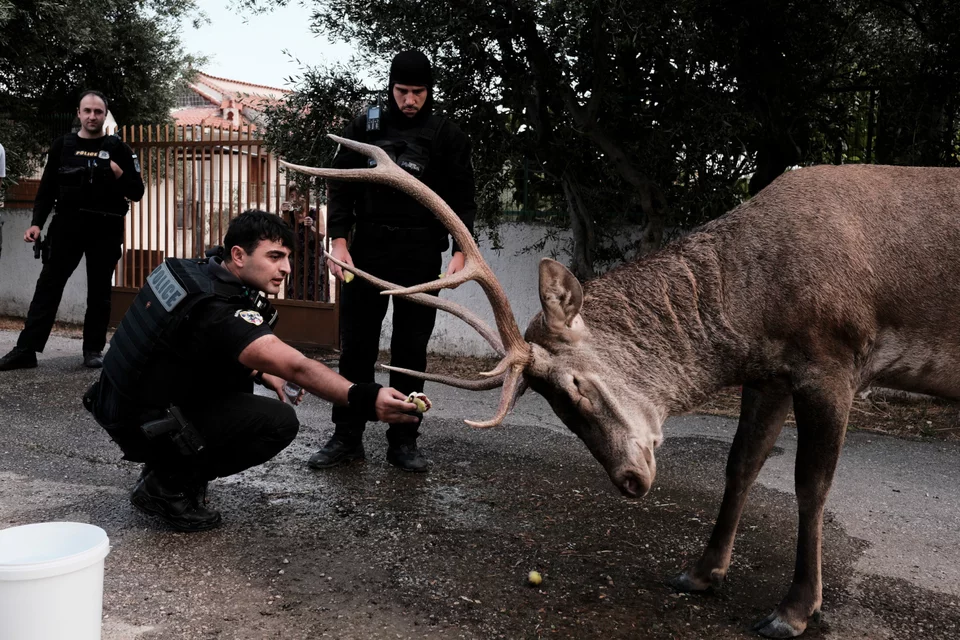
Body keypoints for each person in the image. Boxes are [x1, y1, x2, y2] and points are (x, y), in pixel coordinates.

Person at [82, 210, 420, 532]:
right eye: (274, 257)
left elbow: (190, 351)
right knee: (278, 423)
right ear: (239, 255)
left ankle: (164, 468)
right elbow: (297, 366)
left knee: (242, 384)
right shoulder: (218, 309)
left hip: (118, 402)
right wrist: (365, 398)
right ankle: (166, 486)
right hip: (140, 422)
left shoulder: (192, 271)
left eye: (288, 257)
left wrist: (260, 373)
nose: (286, 268)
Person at [308, 50, 477, 473]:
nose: (410, 100)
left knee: (409, 351)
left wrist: (461, 252)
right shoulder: (366, 125)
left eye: (418, 92)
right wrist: (340, 241)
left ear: (429, 91)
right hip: (364, 254)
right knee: (357, 348)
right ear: (391, 87)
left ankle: (404, 439)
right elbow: (340, 186)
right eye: (402, 91)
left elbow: (462, 202)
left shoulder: (447, 136)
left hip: (420, 256)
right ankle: (347, 436)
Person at [0, 90, 144, 371]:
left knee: (100, 291)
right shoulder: (62, 146)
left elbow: (137, 191)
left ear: (105, 115)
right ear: (78, 113)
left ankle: (92, 350)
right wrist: (36, 223)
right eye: (87, 111)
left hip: (105, 226)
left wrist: (117, 172)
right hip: (67, 225)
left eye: (98, 112)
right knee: (48, 287)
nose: (92, 116)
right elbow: (47, 189)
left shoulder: (120, 150)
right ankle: (26, 350)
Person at [282, 185, 324, 301]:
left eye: (297, 195)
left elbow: (321, 236)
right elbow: (283, 234)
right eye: (291, 196)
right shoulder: (289, 215)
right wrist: (284, 214)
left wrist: (311, 227)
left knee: (316, 289)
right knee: (296, 289)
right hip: (297, 258)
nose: (294, 199)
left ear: (305, 197)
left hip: (314, 257)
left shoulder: (316, 212)